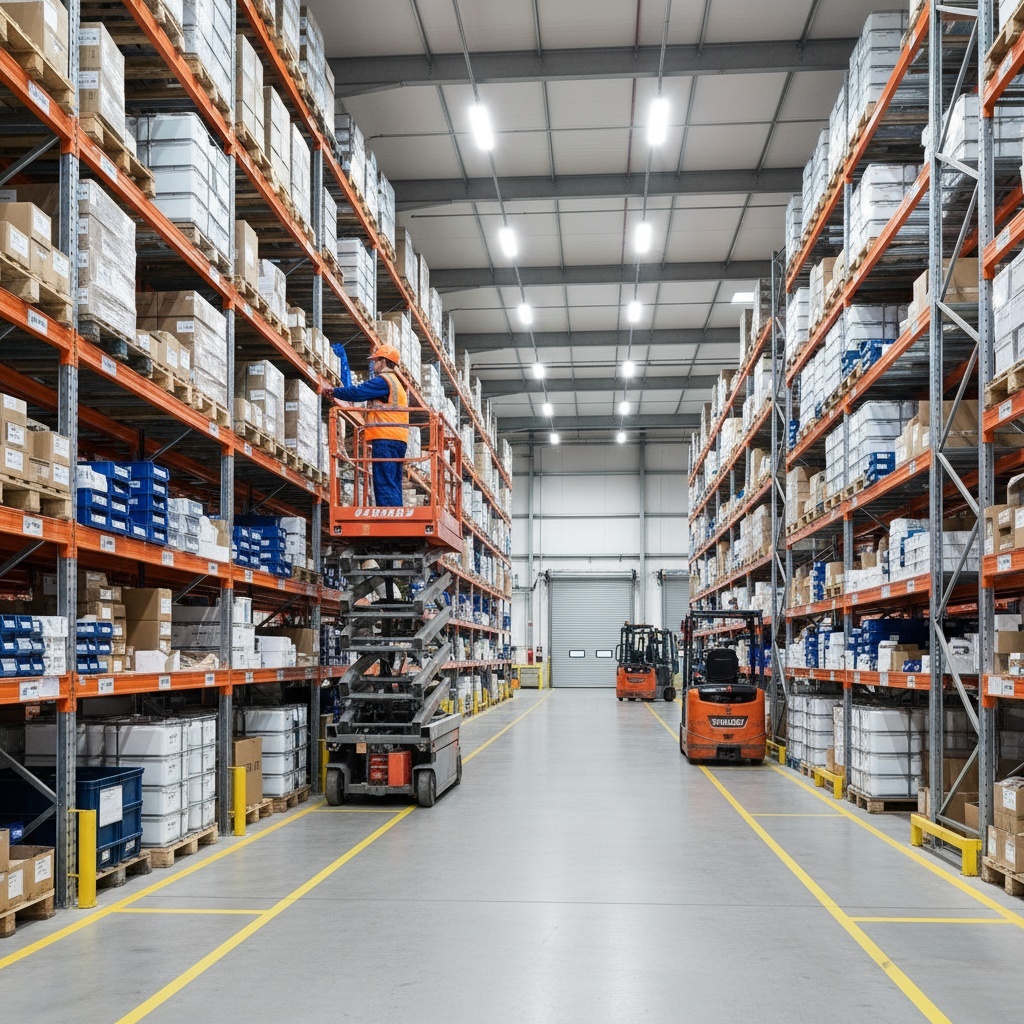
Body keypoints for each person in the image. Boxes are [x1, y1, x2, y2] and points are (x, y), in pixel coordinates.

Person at [325, 344, 407, 506]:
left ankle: (389, 518)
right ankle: (396, 515)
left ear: (383, 361)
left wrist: (334, 391)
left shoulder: (383, 381)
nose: (373, 364)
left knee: (384, 481)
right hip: (398, 440)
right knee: (392, 481)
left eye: (375, 361)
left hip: (385, 438)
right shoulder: (397, 384)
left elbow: (358, 392)